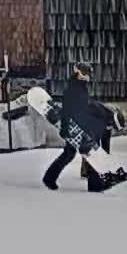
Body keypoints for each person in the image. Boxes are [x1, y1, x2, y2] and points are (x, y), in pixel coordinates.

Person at [43, 64, 110, 192]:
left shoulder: (81, 87)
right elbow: (67, 110)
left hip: (81, 125)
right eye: (84, 73)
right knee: (78, 153)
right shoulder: (72, 88)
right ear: (78, 73)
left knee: (74, 153)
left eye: (88, 73)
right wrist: (65, 128)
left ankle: (49, 178)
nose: (87, 76)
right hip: (73, 127)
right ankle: (94, 184)